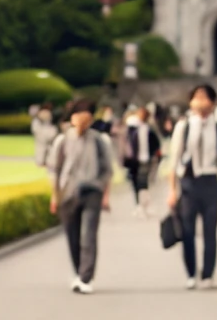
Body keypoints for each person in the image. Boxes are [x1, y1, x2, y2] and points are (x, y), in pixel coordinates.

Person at [45, 98, 115, 294]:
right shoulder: (62, 140)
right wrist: (55, 195)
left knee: (88, 236)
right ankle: (78, 272)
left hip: (92, 192)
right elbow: (54, 170)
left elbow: (107, 169)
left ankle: (86, 277)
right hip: (68, 193)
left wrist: (104, 193)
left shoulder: (99, 140)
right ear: (72, 118)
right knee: (72, 236)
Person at [167, 84, 217, 290]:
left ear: (213, 102)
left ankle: (208, 275)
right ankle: (191, 273)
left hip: (211, 181)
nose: (200, 101)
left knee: (211, 230)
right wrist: (172, 190)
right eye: (196, 97)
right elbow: (174, 160)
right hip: (188, 182)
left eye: (205, 97)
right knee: (187, 230)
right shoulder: (183, 126)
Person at [120, 106, 162, 216]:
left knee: (143, 182)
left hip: (146, 158)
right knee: (135, 182)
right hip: (133, 160)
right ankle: (139, 204)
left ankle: (144, 204)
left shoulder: (149, 128)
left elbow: (156, 142)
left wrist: (154, 154)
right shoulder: (132, 128)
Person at [31, 102, 59, 166]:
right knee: (45, 148)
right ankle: (43, 161)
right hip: (45, 133)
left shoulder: (42, 113)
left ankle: (42, 161)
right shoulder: (45, 113)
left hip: (44, 133)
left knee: (43, 148)